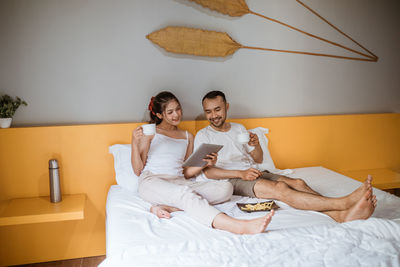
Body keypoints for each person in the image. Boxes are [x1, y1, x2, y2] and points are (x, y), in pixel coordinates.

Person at [194, 90, 377, 223]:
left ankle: (339, 214)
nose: (213, 116)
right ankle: (343, 204)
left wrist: (256, 145)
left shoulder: (239, 128)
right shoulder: (204, 136)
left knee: (298, 183)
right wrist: (241, 174)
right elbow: (208, 173)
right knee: (281, 189)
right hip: (233, 178)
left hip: (253, 170)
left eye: (217, 109)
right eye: (208, 112)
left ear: (226, 107)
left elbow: (257, 159)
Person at [131, 91, 274, 235]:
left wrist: (205, 164)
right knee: (185, 193)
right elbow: (138, 170)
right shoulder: (150, 133)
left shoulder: (187, 136)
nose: (176, 115)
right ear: (160, 115)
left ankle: (166, 206)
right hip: (152, 180)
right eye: (170, 112)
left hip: (179, 181)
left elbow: (186, 172)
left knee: (226, 188)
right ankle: (235, 225)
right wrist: (135, 143)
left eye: (178, 109)